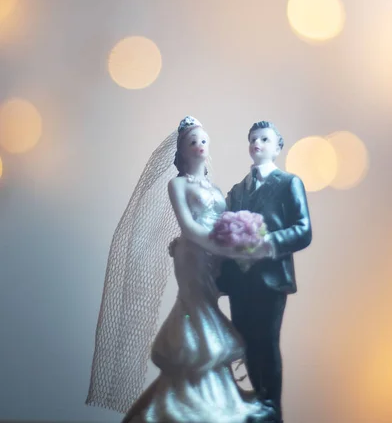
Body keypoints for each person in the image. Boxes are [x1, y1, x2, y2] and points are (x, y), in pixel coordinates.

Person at [86, 116, 275, 423]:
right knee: (194, 308)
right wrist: (220, 246)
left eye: (203, 141)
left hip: (214, 258)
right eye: (192, 142)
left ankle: (209, 398)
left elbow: (224, 222)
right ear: (182, 151)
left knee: (209, 307)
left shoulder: (214, 187)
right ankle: (185, 398)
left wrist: (238, 245)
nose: (199, 146)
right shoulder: (178, 184)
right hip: (193, 257)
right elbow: (188, 227)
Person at [216, 121, 312, 423]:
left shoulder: (288, 183)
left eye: (264, 139)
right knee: (243, 341)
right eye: (253, 139)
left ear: (277, 147)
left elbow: (303, 230)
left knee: (266, 341)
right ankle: (251, 399)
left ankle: (270, 405)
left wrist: (267, 243)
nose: (257, 143)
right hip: (239, 279)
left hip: (270, 280)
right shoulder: (238, 190)